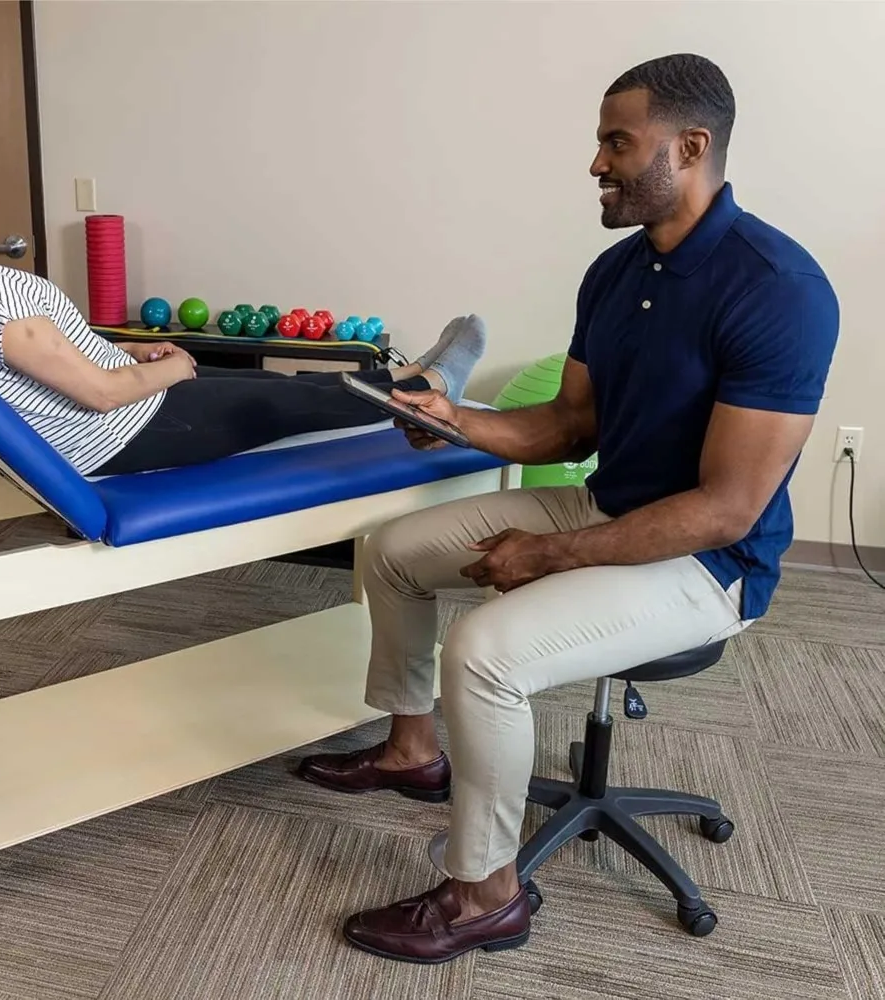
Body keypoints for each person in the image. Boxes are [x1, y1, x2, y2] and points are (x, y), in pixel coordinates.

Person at [297, 53, 840, 963]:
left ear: (692, 146)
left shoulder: (778, 291)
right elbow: (569, 422)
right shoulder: (614, 273)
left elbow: (726, 510)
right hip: (607, 504)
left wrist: (549, 555)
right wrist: (454, 420)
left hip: (708, 565)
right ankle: (412, 750)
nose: (596, 162)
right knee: (390, 550)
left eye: (616, 142)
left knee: (486, 653)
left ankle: (486, 892)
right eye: (600, 141)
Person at [0, 101, 486, 477]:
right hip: (117, 432)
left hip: (110, 419)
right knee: (278, 402)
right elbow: (97, 393)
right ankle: (431, 388)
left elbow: (34, 367)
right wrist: (169, 370)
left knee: (277, 385)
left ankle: (410, 380)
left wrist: (132, 355)